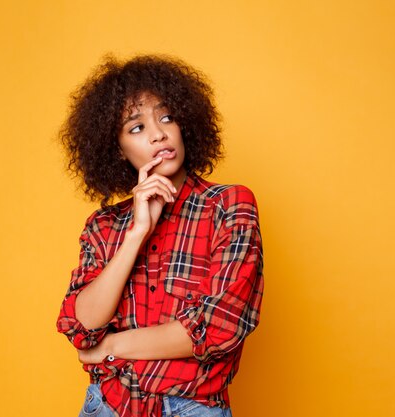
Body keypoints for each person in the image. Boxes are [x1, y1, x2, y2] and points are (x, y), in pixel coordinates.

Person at [56, 54, 264, 417]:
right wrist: (136, 233)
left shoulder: (229, 206)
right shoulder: (103, 227)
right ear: (117, 149)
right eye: (136, 128)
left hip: (192, 408)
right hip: (108, 407)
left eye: (166, 117)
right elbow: (81, 325)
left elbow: (217, 327)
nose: (158, 134)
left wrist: (109, 348)